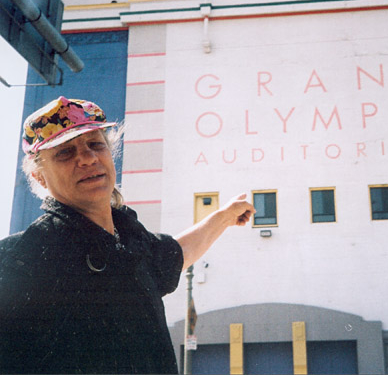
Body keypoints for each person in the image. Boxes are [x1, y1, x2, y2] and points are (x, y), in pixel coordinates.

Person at [0, 96, 256, 374]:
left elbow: (177, 254)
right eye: (65, 152)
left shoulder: (132, 241)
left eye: (96, 144)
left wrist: (224, 217)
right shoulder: (19, 261)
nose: (87, 158)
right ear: (39, 176)